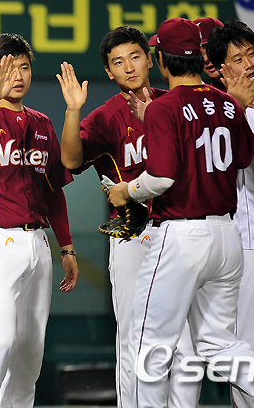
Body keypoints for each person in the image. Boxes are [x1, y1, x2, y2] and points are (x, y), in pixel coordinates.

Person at [108, 17, 254, 407]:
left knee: (149, 343)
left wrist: (126, 190)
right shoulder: (229, 105)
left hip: (182, 236)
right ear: (200, 56)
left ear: (161, 60)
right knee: (217, 343)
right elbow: (243, 157)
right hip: (227, 237)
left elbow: (161, 177)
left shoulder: (163, 106)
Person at [57, 26, 200, 408]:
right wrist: (73, 110)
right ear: (109, 71)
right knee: (134, 338)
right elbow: (71, 159)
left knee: (186, 342)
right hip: (133, 236)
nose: (129, 67)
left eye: (135, 56)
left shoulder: (174, 104)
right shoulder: (107, 117)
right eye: (118, 62)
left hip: (179, 231)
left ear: (150, 58)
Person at [0, 33, 79, 408]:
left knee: (29, 353)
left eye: (24, 67)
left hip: (37, 242)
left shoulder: (41, 123)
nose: (18, 76)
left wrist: (67, 247)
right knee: (0, 341)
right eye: (8, 69)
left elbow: (53, 191)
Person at [206, 20, 254, 408]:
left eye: (252, 53)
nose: (249, 64)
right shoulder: (216, 109)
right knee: (248, 347)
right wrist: (240, 108)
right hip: (248, 245)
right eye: (237, 58)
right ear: (220, 69)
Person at [193, 17, 224, 89]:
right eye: (199, 53)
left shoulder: (250, 84)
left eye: (211, 48)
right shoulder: (203, 95)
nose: (205, 58)